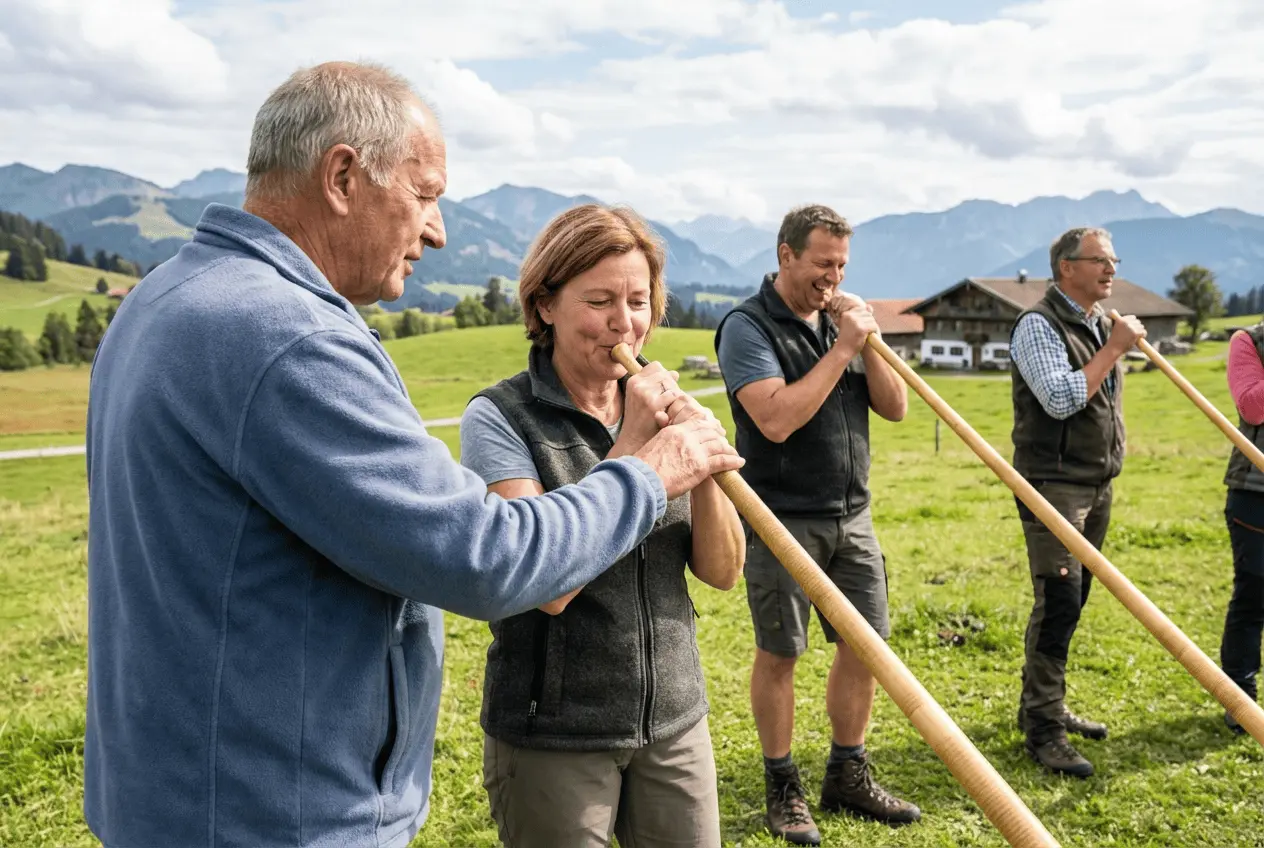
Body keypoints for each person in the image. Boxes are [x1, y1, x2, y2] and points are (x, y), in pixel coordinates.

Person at [82, 61, 743, 848]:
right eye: (425, 195)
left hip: (183, 786)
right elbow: (487, 556)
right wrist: (650, 470)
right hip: (274, 810)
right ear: (342, 177)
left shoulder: (163, 296)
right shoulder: (290, 340)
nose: (436, 230)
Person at [459, 203, 746, 847]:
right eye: (599, 300)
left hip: (672, 718)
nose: (625, 323)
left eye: (639, 300)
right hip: (555, 732)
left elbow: (723, 572)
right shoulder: (501, 419)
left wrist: (703, 462)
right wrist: (641, 450)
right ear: (546, 305)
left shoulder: (666, 410)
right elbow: (545, 587)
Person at [714, 204, 917, 846]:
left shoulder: (842, 324)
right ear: (785, 255)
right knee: (782, 651)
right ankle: (782, 784)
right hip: (781, 521)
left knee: (866, 648)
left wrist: (868, 340)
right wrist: (844, 350)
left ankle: (847, 773)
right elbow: (774, 419)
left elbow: (895, 407)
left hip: (852, 515)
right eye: (822, 263)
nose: (832, 277)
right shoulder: (747, 327)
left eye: (842, 265)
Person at [1008, 226, 1144, 777]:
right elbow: (1061, 399)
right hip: (1054, 483)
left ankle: (1045, 704)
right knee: (1059, 599)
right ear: (1067, 267)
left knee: (1076, 598)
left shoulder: (1097, 322)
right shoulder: (1039, 325)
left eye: (1114, 261)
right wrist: (1114, 351)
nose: (1111, 270)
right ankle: (1043, 729)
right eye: (1100, 261)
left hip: (1095, 481)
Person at [1220, 323, 1264, 735]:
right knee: (1254, 596)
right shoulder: (1248, 341)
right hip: (1256, 493)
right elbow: (1252, 406)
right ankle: (1240, 698)